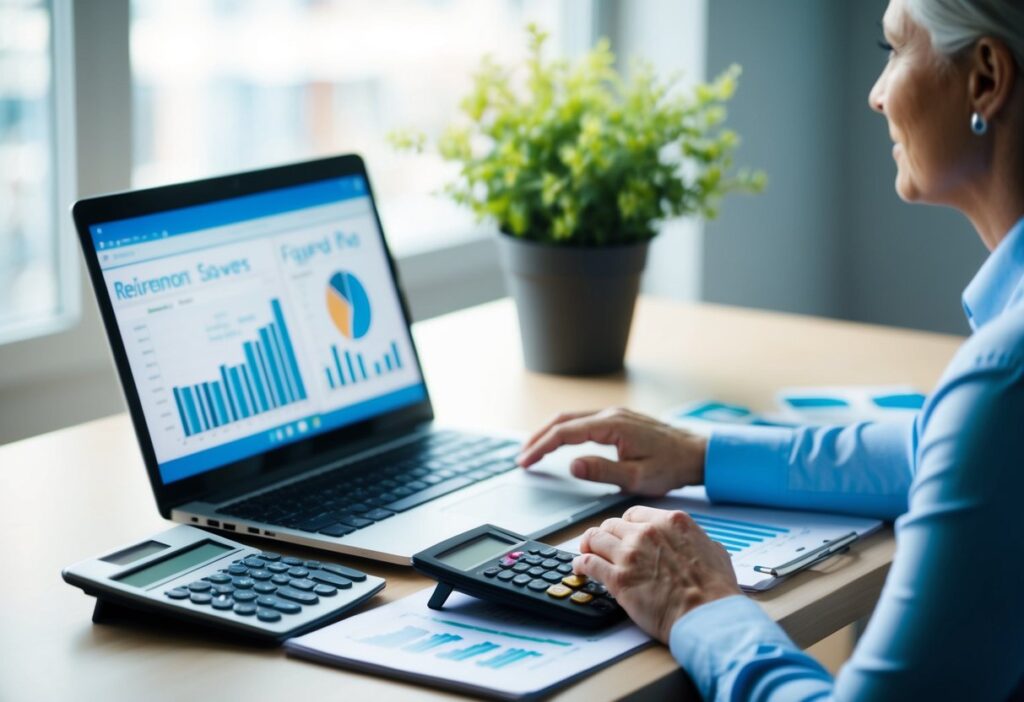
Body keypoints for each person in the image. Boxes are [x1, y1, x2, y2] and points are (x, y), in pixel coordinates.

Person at [515, 0, 1024, 699]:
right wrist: (699, 454)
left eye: (895, 49)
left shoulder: (1006, 375)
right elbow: (937, 448)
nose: (877, 95)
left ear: (986, 79)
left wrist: (698, 605)